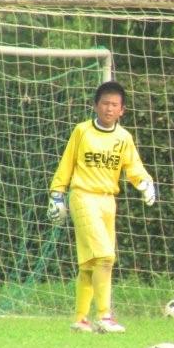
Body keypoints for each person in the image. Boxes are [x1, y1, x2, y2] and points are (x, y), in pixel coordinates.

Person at [47, 80, 156, 333]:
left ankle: (80, 319)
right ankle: (104, 316)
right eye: (105, 103)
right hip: (83, 196)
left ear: (122, 110)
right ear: (96, 106)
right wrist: (56, 194)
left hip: (108, 201)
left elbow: (133, 166)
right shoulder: (82, 131)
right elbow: (67, 163)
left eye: (114, 105)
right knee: (106, 256)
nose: (109, 108)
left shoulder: (123, 137)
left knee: (89, 263)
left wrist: (145, 183)